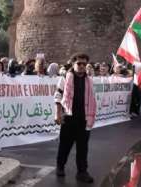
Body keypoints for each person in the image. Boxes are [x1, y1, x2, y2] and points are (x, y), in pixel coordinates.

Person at [54, 53, 96, 183]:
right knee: (65, 145)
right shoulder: (65, 78)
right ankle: (60, 166)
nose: (82, 66)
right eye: (79, 63)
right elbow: (57, 97)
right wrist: (57, 114)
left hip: (84, 119)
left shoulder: (89, 80)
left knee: (83, 147)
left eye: (84, 64)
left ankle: (82, 172)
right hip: (69, 117)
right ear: (73, 64)